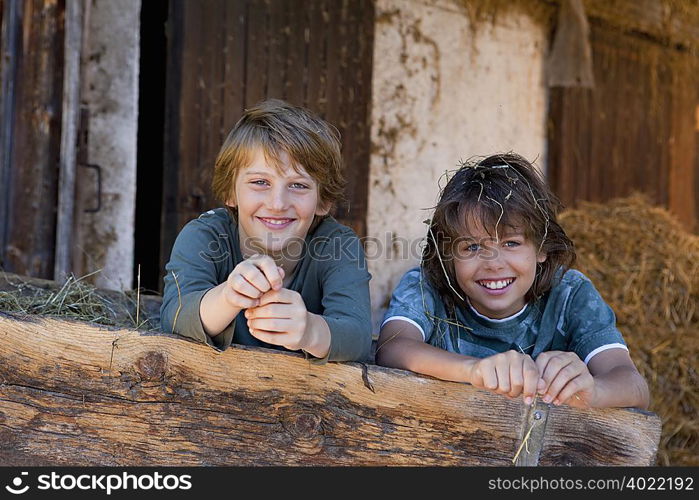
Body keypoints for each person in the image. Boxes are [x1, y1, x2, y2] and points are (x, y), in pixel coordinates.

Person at [376, 153, 649, 409]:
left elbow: (634, 386)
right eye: (471, 247)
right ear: (448, 254)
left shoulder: (570, 295)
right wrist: (475, 370)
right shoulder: (427, 287)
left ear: (542, 247)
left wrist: (594, 390)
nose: (493, 263)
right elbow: (393, 347)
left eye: (511, 243)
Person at [160, 99, 372, 362]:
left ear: (323, 200)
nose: (278, 204)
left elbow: (360, 338)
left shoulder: (338, 246)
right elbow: (173, 317)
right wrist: (228, 297)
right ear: (229, 191)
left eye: (298, 185)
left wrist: (309, 331)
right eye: (260, 182)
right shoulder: (203, 237)